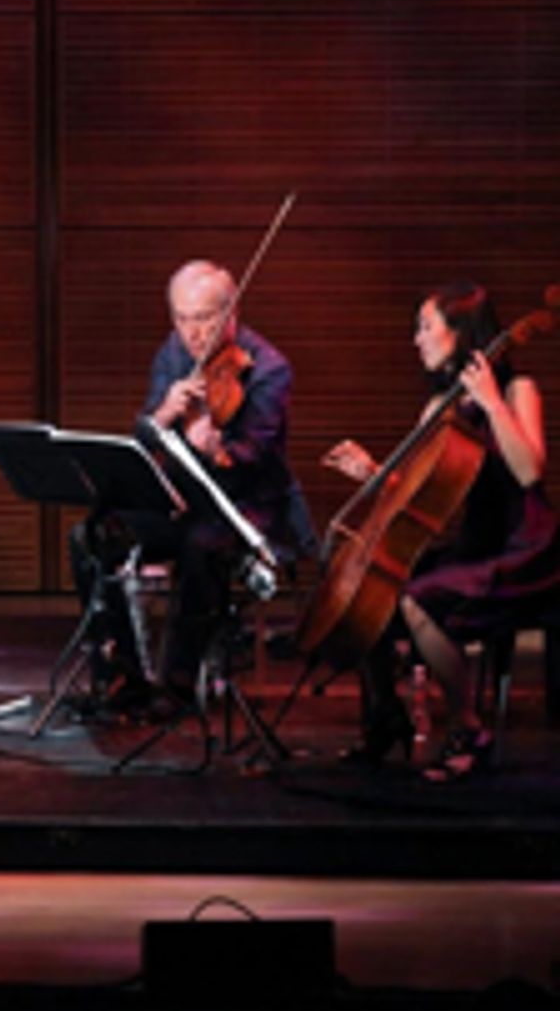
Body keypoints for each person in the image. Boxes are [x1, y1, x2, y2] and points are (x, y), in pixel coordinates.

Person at [322, 281, 560, 780]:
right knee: (379, 590)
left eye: (426, 327)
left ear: (461, 334)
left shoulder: (518, 392)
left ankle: (468, 726)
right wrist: (371, 472)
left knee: (419, 598)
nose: (416, 340)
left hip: (527, 547)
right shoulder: (440, 409)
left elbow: (529, 472)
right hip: (476, 545)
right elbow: (411, 492)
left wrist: (494, 405)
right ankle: (385, 720)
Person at [69, 259, 316, 714]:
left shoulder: (269, 368)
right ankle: (122, 671)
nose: (193, 333)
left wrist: (216, 448)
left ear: (231, 312)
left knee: (202, 546)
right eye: (182, 318)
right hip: (183, 500)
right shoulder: (173, 353)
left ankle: (181, 682)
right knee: (92, 535)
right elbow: (145, 437)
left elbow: (256, 458)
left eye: (203, 318)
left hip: (245, 506)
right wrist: (163, 414)